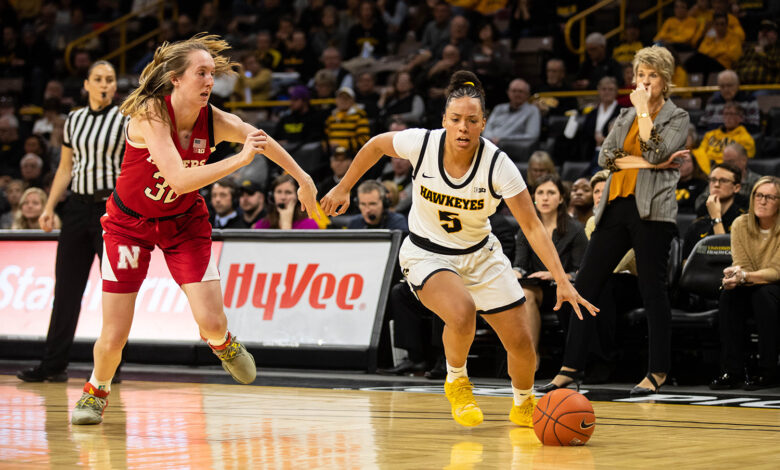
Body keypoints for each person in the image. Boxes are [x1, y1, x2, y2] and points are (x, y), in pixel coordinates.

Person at [321, 71, 596, 428]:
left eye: (471, 120)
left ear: (483, 123)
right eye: (455, 119)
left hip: (480, 254)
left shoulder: (499, 165)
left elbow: (531, 226)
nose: (463, 127)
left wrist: (562, 279)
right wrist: (344, 187)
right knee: (462, 311)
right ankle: (457, 380)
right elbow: (375, 145)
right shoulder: (422, 144)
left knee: (523, 345)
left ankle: (524, 403)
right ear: (443, 121)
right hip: (426, 253)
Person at [70, 35, 318, 425]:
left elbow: (262, 141)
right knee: (114, 333)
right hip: (129, 226)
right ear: (175, 79)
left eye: (212, 74)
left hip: (184, 223)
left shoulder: (215, 120)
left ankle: (222, 343)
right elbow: (180, 178)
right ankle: (95, 390)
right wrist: (239, 161)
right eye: (201, 73)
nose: (209, 81)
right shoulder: (150, 114)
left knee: (213, 322)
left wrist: (303, 179)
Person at [539, 46, 690, 396]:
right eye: (640, 74)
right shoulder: (623, 117)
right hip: (615, 206)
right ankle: (570, 367)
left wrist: (643, 124)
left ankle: (657, 371)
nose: (645, 81)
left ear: (665, 81)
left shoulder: (676, 116)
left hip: (652, 211)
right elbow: (607, 157)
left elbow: (656, 150)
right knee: (586, 285)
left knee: (652, 291)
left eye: (652, 75)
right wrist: (651, 164)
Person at [16, 60, 127, 384]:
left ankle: (111, 366)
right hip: (77, 208)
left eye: (109, 79)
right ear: (86, 85)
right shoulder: (74, 120)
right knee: (65, 291)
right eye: (98, 79)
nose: (105, 84)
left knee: (116, 294)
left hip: (112, 210)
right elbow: (66, 168)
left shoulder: (125, 118)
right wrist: (50, 206)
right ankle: (53, 365)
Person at [711, 176, 780, 390]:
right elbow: (742, 264)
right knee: (729, 295)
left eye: (769, 197)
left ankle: (768, 370)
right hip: (753, 283)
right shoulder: (741, 224)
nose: (762, 201)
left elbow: (777, 271)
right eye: (758, 195)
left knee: (764, 295)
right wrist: (734, 276)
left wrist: (745, 277)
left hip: (775, 287)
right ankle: (732, 371)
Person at [514, 175, 587, 356]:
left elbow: (581, 271)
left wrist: (555, 275)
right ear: (533, 198)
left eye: (551, 193)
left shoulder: (575, 230)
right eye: (540, 193)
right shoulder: (525, 228)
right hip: (536, 287)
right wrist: (512, 275)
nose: (545, 198)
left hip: (565, 288)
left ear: (561, 198)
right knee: (525, 294)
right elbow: (520, 266)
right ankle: (531, 357)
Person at [682, 163, 748, 259]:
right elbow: (686, 264)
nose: (716, 185)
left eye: (723, 181)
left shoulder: (744, 220)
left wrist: (716, 217)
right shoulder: (697, 224)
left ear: (736, 188)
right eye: (713, 180)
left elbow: (725, 257)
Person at [692, 102, 755, 174]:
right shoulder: (710, 135)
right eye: (725, 114)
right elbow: (699, 152)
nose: (728, 117)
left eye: (731, 114)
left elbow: (742, 162)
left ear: (740, 118)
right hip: (705, 169)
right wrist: (707, 170)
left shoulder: (746, 138)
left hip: (728, 171)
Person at [482, 79, 541, 148]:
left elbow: (531, 137)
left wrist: (502, 140)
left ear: (527, 94)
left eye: (520, 91)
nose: (516, 94)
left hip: (512, 149)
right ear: (508, 92)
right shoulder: (499, 108)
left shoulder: (532, 111)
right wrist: (491, 139)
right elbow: (487, 129)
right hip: (490, 145)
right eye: (514, 91)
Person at [254, 173, 319, 229]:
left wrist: (286, 223)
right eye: (279, 192)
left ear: (298, 196)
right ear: (272, 196)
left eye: (288, 192)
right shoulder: (262, 225)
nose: (283, 197)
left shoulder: (309, 225)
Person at [324, 87, 371, 154]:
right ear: (336, 100)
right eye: (340, 98)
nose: (343, 101)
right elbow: (326, 137)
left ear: (353, 100)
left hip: (351, 153)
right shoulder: (331, 117)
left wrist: (342, 145)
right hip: (332, 153)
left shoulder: (360, 115)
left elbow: (364, 139)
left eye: (346, 98)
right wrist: (326, 146)